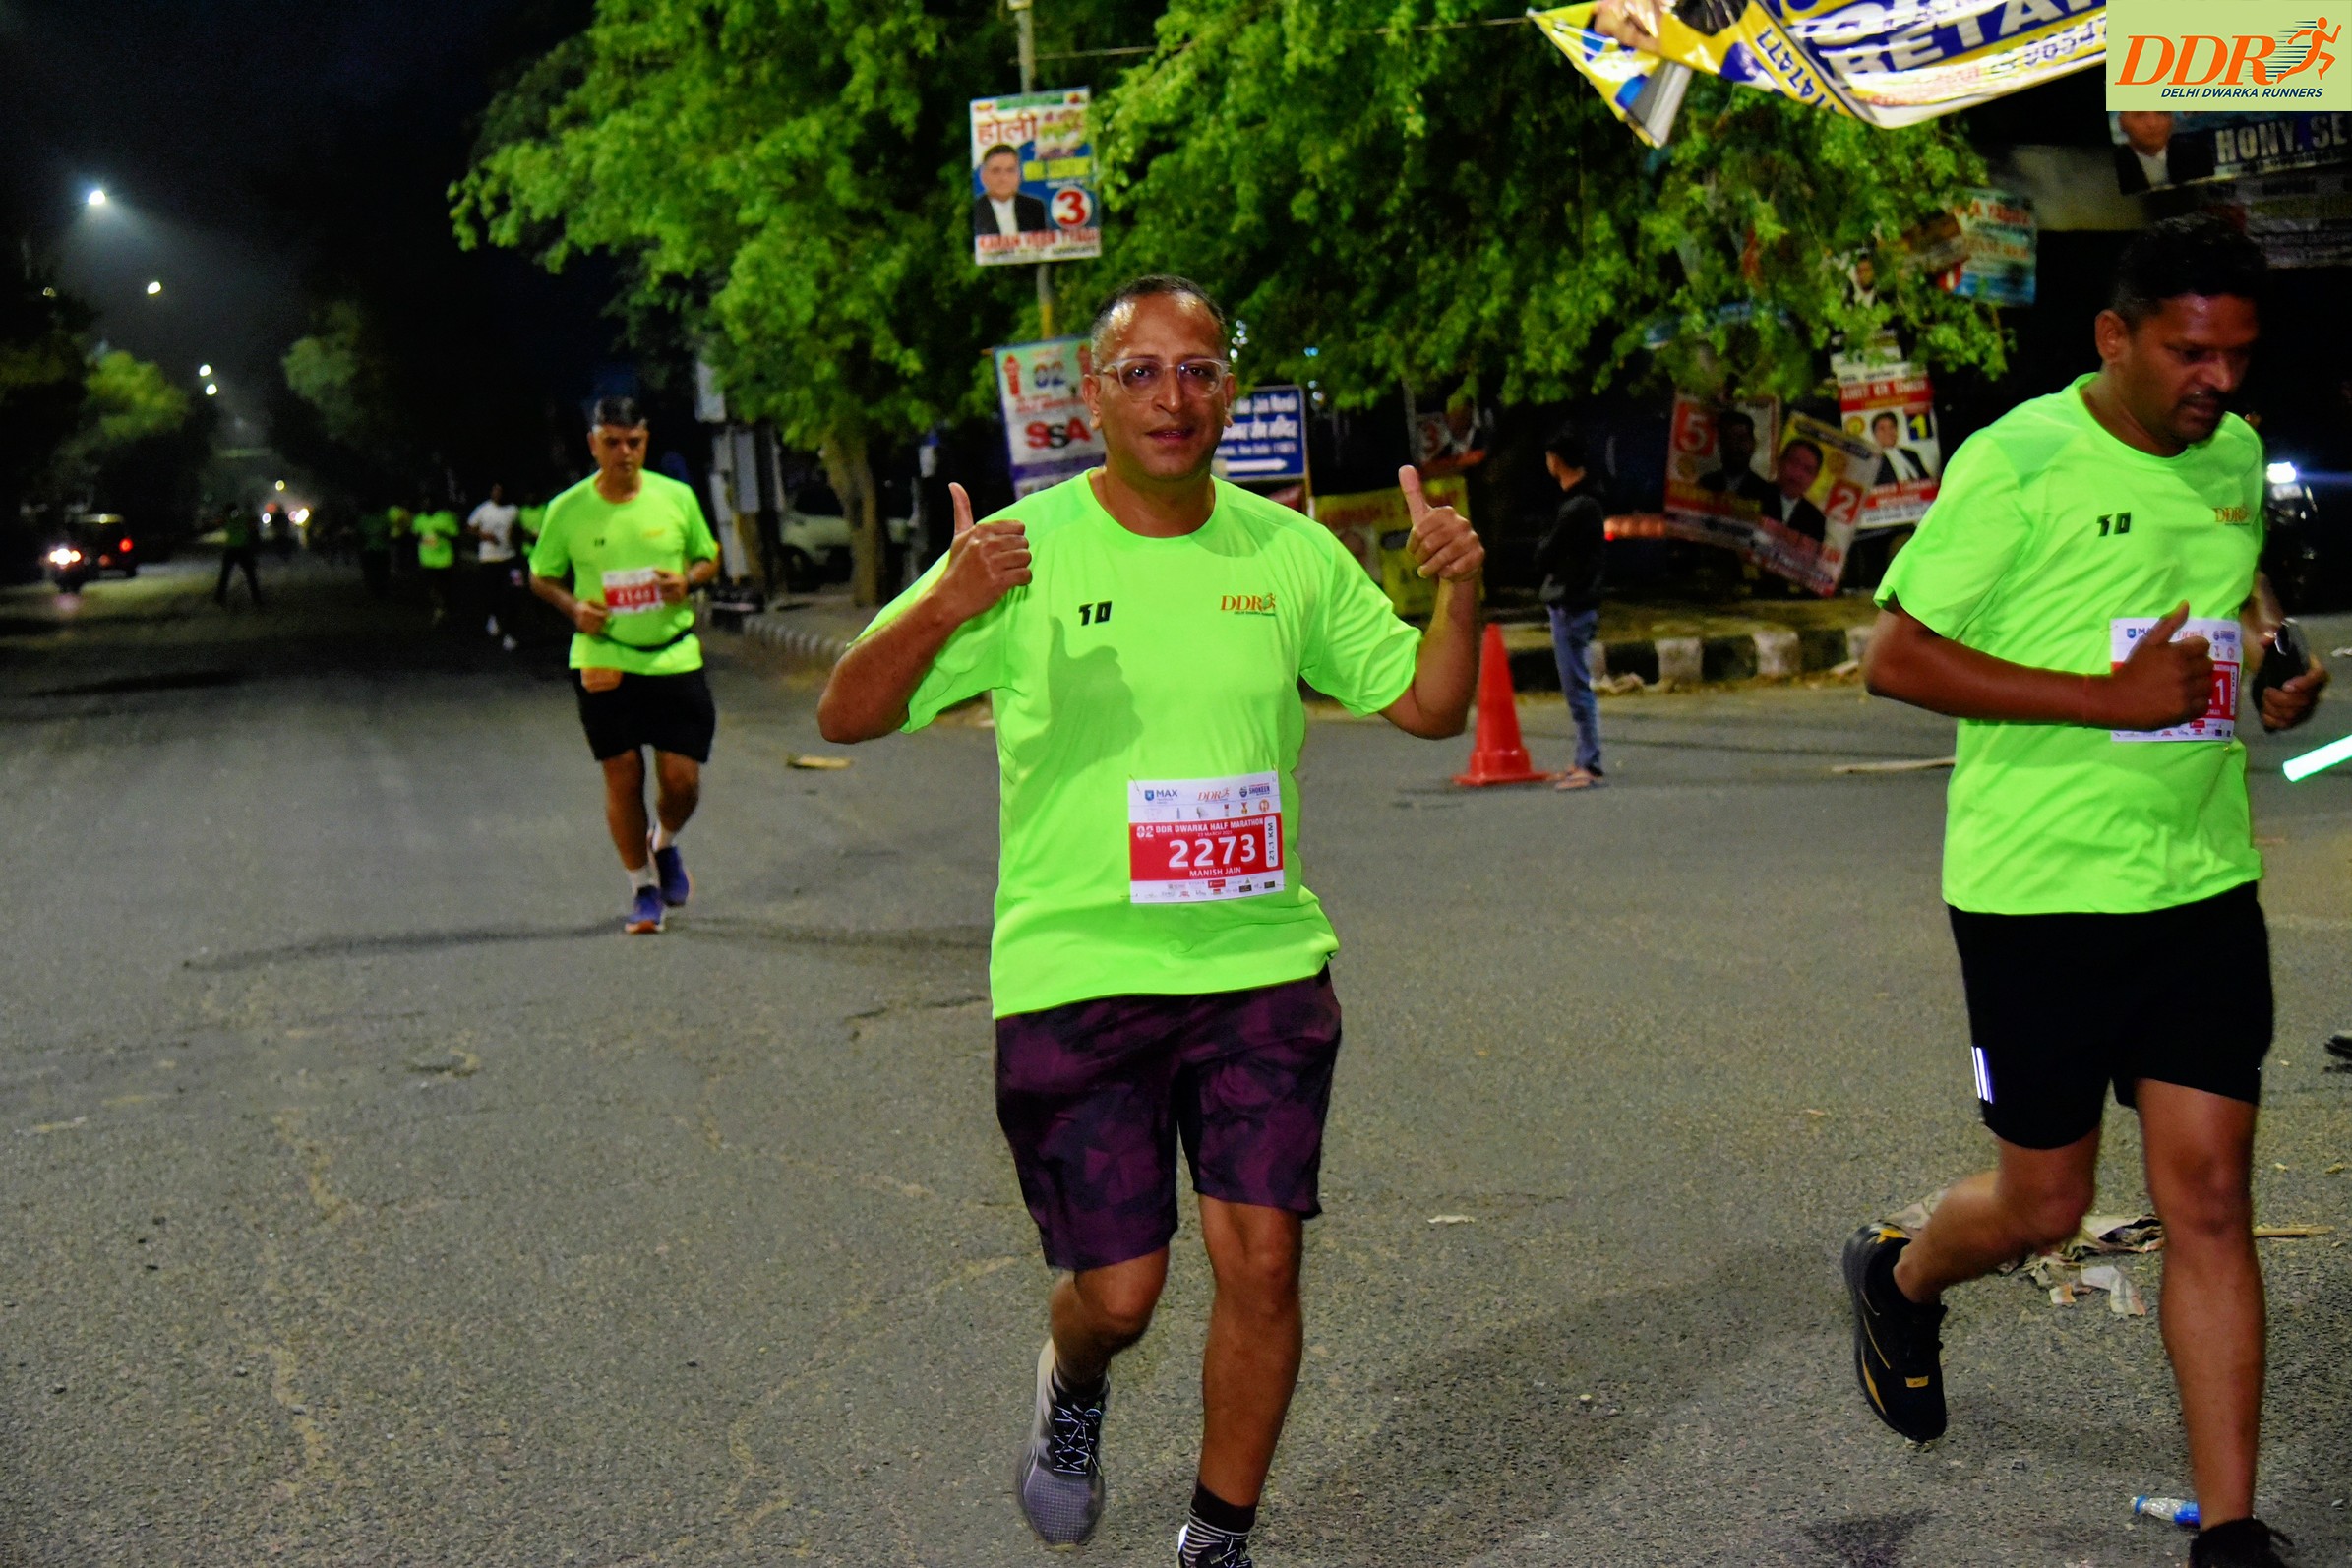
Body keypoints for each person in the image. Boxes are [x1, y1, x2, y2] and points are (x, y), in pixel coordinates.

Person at [815, 275, 1481, 1568]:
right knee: (1121, 1294)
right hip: (1080, 970)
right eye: (1141, 372)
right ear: (1093, 397)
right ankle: (1072, 1378)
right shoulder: (1018, 553)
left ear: (1229, 389)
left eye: (1198, 370)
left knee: (1264, 1260)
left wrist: (1457, 592)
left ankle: (1215, 1540)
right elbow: (846, 712)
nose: (1173, 397)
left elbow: (1426, 707)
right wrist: (946, 603)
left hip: (1258, 961)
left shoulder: (1289, 551)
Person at [1842, 215, 2327, 1568]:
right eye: (2188, 352)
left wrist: (2269, 657)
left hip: (2198, 884)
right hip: (2034, 894)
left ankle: (2227, 1530)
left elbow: (2232, 574)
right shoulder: (2018, 460)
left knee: (2208, 1198)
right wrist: (2103, 699)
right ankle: (1899, 1271)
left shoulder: (2229, 452)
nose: (2217, 381)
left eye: (2236, 354)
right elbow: (1894, 656)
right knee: (2045, 1206)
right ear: (2113, 337)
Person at [529, 396, 721, 935]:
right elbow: (542, 575)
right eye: (611, 442)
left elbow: (709, 555)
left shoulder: (675, 497)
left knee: (682, 781)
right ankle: (642, 889)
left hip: (673, 652)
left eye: (633, 442)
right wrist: (574, 608)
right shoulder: (567, 509)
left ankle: (664, 842)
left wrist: (689, 580)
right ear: (594, 444)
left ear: (645, 441)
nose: (624, 453)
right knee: (622, 772)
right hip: (603, 656)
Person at [1533, 424, 1607, 789]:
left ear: (1556, 460)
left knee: (1577, 688)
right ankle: (1582, 759)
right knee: (1575, 685)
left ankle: (1589, 763)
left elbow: (1546, 553)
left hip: (1572, 603)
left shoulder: (1578, 507)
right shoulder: (1584, 502)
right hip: (1575, 599)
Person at [468, 482, 523, 650]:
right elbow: (470, 528)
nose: (497, 494)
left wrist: (515, 535)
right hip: (489, 558)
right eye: (495, 491)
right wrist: (482, 535)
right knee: (492, 593)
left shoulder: (513, 510)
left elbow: (520, 530)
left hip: (510, 558)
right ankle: (493, 617)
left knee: (513, 592)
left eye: (500, 491)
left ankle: (510, 634)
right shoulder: (483, 509)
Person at [2113, 110, 2215, 195]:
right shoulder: (2112, 165)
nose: (2153, 124)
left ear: (2171, 119)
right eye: (2140, 115)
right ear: (2121, 123)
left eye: (2161, 113)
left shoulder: (2198, 154)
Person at [1697, 409, 1777, 515]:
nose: (1734, 446)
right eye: (1728, 439)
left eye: (1741, 439)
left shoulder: (1768, 494)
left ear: (1753, 444)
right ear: (1720, 444)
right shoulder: (1704, 485)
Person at [971, 144, 1050, 238]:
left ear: (1019, 175)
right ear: (983, 176)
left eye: (1010, 170)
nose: (1004, 178)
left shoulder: (1035, 207)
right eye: (996, 171)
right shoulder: (975, 209)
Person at [413, 502, 460, 625]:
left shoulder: (445, 517)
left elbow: (455, 535)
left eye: (429, 502)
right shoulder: (419, 519)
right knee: (432, 586)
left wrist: (443, 534)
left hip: (444, 558)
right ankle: (439, 608)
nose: (426, 505)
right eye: (424, 502)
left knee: (444, 585)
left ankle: (445, 608)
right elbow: (415, 534)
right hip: (427, 559)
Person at [1772, 439, 1828, 542]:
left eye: (1808, 470)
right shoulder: (1754, 491)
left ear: (1815, 478)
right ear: (1780, 462)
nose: (1798, 473)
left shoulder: (1816, 521)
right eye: (1794, 463)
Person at [215, 504, 264, 609]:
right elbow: (254, 524)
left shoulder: (228, 519)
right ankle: (256, 597)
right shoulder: (242, 519)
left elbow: (219, 522)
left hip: (233, 549)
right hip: (241, 549)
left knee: (226, 575)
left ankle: (219, 597)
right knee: (249, 574)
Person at [1869, 412, 1932, 486]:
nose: (1888, 432)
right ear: (1874, 434)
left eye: (1892, 427)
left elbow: (1928, 480)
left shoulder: (1912, 454)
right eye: (1882, 428)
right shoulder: (1872, 461)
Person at [358, 507, 394, 597]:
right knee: (379, 571)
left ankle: (376, 590)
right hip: (377, 549)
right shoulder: (382, 518)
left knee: (375, 571)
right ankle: (377, 590)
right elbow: (388, 533)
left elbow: (360, 535)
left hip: (374, 549)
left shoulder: (365, 519)